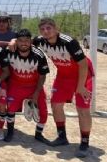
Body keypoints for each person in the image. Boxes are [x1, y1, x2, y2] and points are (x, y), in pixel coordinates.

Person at [33, 18, 94, 158]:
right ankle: (62, 137)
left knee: (83, 109)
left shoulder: (69, 42)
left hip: (83, 75)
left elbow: (83, 64)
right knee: (55, 105)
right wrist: (12, 42)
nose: (46, 31)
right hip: (63, 76)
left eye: (49, 28)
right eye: (42, 29)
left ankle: (84, 143)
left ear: (56, 29)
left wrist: (80, 86)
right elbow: (23, 42)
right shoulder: (40, 40)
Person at [3, 29, 50, 144]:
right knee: (10, 109)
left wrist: (37, 93)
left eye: (27, 40)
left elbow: (42, 76)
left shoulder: (38, 54)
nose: (24, 43)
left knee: (43, 111)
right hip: (16, 85)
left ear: (31, 41)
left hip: (34, 86)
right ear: (16, 41)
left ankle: (38, 134)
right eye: (20, 40)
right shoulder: (8, 51)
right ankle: (10, 131)